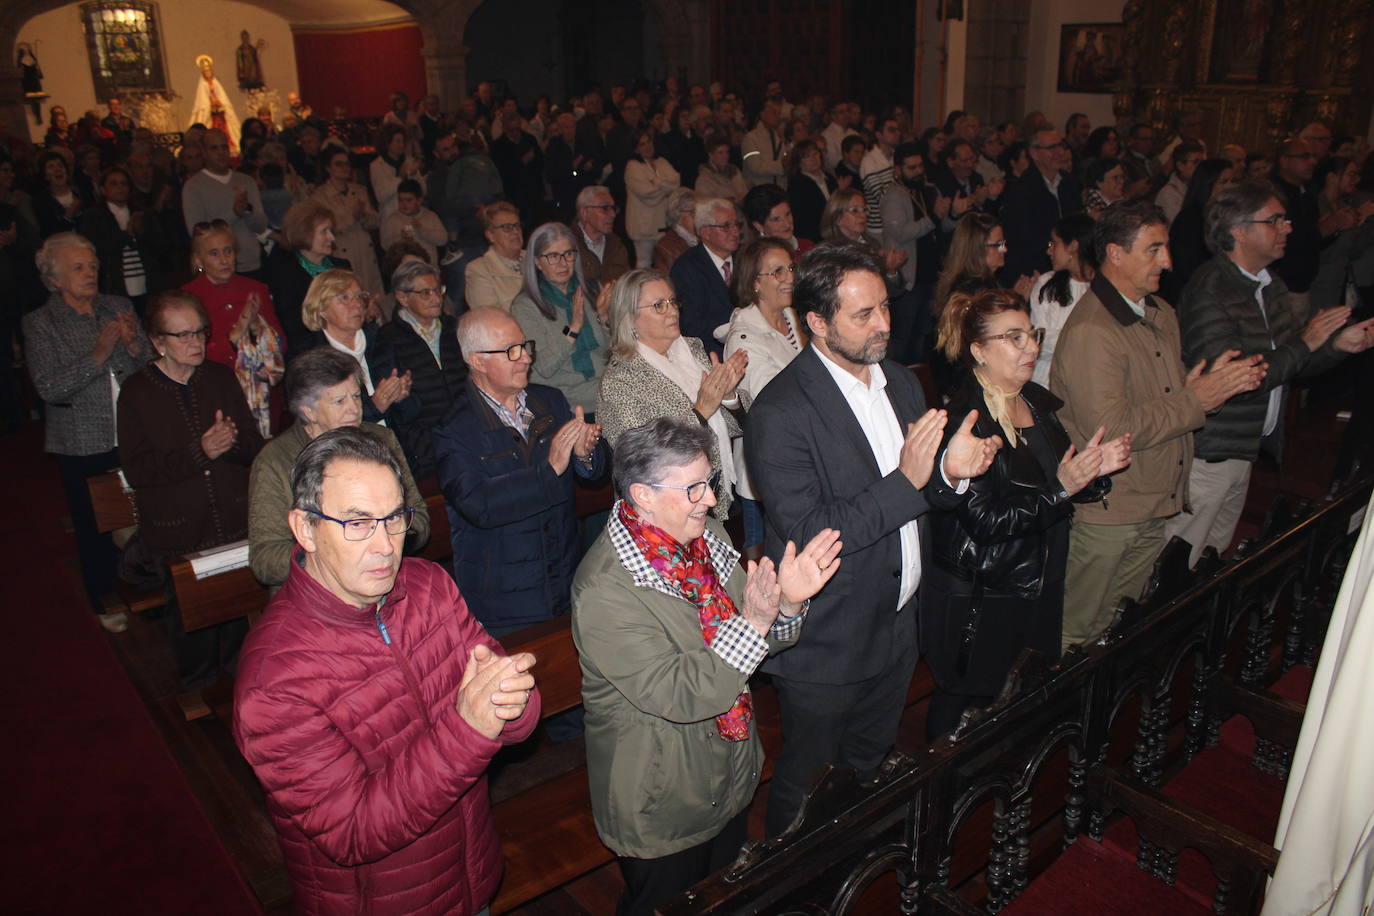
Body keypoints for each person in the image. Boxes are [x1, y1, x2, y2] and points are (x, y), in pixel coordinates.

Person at [745, 243, 1000, 837]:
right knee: (807, 780)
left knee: (867, 764)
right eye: (863, 315)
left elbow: (921, 496)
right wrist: (911, 480)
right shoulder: (780, 411)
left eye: (884, 307)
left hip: (897, 621)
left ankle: (851, 859)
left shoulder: (901, 385)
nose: (884, 324)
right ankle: (793, 885)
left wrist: (951, 474)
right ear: (817, 322)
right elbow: (814, 531)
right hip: (830, 635)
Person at [234, 426, 538, 916]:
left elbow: (511, 714)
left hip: (470, 874)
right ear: (305, 528)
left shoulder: (428, 585)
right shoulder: (275, 681)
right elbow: (351, 832)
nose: (385, 546)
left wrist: (513, 700)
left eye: (394, 518)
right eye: (357, 523)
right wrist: (469, 728)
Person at [572, 416, 840, 916]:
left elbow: (751, 641)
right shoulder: (606, 591)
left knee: (722, 897)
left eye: (710, 482)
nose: (713, 500)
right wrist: (757, 622)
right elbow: (682, 694)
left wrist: (786, 606)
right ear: (643, 496)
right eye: (694, 487)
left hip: (728, 770)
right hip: (662, 794)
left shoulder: (706, 538)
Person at [1050, 201, 1267, 650]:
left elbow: (1159, 401)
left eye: (1165, 247)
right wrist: (1196, 399)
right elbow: (1110, 428)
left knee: (1119, 627)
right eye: (1153, 250)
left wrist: (1200, 388)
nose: (1168, 261)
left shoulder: (1159, 313)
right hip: (1110, 511)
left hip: (1151, 498)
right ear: (1115, 253)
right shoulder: (1095, 331)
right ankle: (1057, 720)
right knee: (1075, 634)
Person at [924, 288, 1129, 737]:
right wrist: (1063, 488)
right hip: (984, 590)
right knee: (965, 703)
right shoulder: (966, 419)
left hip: (1038, 578)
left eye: (1031, 334)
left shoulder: (1033, 400)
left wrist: (1093, 473)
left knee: (1018, 697)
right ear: (978, 350)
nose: (1031, 347)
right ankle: (936, 795)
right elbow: (986, 521)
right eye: (1013, 337)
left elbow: (1054, 483)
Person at [1167, 181, 1374, 564]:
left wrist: (1335, 347)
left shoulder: (1267, 284)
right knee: (1178, 564)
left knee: (1213, 559)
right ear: (1239, 231)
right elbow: (1234, 380)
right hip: (1208, 452)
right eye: (1275, 220)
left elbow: (1289, 361)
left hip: (1241, 448)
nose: (1288, 227)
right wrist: (1308, 343)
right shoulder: (1211, 290)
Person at [117, 290, 263, 689]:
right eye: (182, 336)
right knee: (190, 627)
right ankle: (198, 692)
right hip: (178, 530)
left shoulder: (218, 376)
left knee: (237, 616)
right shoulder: (137, 392)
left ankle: (241, 692)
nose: (195, 342)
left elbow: (254, 445)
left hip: (232, 519)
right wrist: (199, 451)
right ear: (157, 341)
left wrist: (231, 443)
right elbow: (139, 470)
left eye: (200, 332)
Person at [433, 307, 606, 635]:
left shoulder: (549, 401)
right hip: (505, 598)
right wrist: (551, 468)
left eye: (525, 346)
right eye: (511, 351)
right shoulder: (454, 428)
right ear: (477, 361)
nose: (525, 358)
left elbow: (594, 476)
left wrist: (586, 453)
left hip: (567, 577)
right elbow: (479, 505)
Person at [23, 232, 151, 630]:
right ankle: (103, 598)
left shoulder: (117, 306)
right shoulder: (40, 323)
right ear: (55, 278)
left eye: (93, 265)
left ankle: (149, 589)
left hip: (132, 432)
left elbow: (148, 365)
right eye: (78, 268)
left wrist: (132, 347)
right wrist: (98, 354)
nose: (90, 273)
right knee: (96, 526)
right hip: (81, 441)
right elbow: (49, 387)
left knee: (148, 515)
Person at [247, 348, 429, 588]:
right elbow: (265, 559)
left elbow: (420, 519)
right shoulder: (275, 461)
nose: (354, 408)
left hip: (385, 583)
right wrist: (339, 552)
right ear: (308, 411)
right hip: (315, 601)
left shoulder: (382, 440)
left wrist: (390, 532)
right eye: (339, 401)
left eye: (356, 396)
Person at [599, 268, 748, 518]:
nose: (672, 310)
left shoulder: (692, 349)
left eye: (672, 301)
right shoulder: (620, 379)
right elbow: (642, 459)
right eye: (659, 305)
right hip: (662, 514)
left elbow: (733, 427)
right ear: (630, 318)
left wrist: (730, 397)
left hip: (714, 497)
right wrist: (700, 411)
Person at [722, 238, 806, 551]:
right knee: (767, 563)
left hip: (802, 456)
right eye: (778, 271)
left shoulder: (793, 317)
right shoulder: (744, 337)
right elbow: (772, 401)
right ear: (755, 283)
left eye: (791, 268)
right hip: (767, 469)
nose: (790, 277)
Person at [183, 219, 285, 436]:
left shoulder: (255, 288)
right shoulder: (187, 298)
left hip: (261, 398)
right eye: (214, 253)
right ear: (198, 259)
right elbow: (187, 355)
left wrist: (258, 331)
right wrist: (234, 338)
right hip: (215, 397)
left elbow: (281, 345)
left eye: (228, 251)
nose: (224, 259)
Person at [373, 259, 466, 480]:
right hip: (424, 447)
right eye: (425, 293)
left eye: (437, 290)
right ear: (402, 297)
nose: (436, 298)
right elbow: (398, 406)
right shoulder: (388, 338)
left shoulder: (456, 328)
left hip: (466, 434)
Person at [298, 268, 417, 428]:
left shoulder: (383, 341)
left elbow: (412, 414)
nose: (357, 305)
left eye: (359, 297)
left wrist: (402, 399)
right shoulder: (313, 360)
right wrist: (375, 407)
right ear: (321, 309)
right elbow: (324, 425)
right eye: (344, 298)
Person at [510, 221, 609, 414]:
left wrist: (604, 319)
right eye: (553, 256)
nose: (563, 263)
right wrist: (573, 328)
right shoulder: (525, 307)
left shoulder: (591, 291)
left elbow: (611, 352)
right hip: (562, 398)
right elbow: (545, 366)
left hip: (604, 387)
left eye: (568, 254)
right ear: (537, 262)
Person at [997, 126, 1082, 287]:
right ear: (1035, 153)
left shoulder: (1069, 183)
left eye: (1061, 146)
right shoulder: (1021, 190)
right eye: (1052, 148)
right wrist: (1054, 248)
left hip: (1070, 266)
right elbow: (1019, 240)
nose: (1060, 152)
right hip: (1036, 271)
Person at [182, 129, 269, 277]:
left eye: (224, 147)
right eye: (214, 148)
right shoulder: (193, 186)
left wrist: (247, 211)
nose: (221, 152)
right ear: (204, 152)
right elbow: (196, 233)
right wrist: (234, 213)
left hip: (250, 262)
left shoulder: (246, 181)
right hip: (216, 268)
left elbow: (261, 226)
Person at [268, 201, 351, 355]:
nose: (331, 238)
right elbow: (295, 330)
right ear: (304, 233)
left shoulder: (342, 267)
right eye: (324, 231)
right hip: (313, 355)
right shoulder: (286, 276)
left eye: (331, 231)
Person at [78, 165, 166, 310]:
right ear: (103, 189)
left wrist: (142, 232)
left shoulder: (142, 212)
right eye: (114, 183)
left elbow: (161, 247)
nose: (120, 188)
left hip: (147, 283)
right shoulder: (94, 216)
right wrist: (126, 234)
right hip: (115, 284)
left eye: (124, 183)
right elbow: (95, 251)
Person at [1029, 212, 1096, 389]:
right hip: (1044, 382)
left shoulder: (1100, 290)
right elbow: (1039, 342)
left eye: (1054, 243)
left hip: (1085, 383)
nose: (1049, 250)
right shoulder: (1047, 284)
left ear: (1073, 246)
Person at [670, 197, 743, 357]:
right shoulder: (686, 268)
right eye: (726, 226)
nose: (735, 232)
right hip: (711, 353)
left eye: (736, 225)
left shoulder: (746, 259)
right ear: (705, 232)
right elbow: (689, 325)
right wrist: (739, 321)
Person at [1159, 158, 1236, 302]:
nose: (1230, 187)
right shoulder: (1190, 219)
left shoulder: (1224, 216)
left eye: (1232, 181)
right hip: (1194, 295)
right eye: (1224, 182)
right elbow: (1187, 267)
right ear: (1207, 184)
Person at [311, 147, 382, 295]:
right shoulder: (320, 196)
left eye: (347, 163)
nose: (345, 168)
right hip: (342, 252)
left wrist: (364, 216)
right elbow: (325, 227)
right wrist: (351, 217)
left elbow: (375, 221)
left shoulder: (359, 190)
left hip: (365, 253)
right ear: (328, 168)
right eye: (338, 164)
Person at [625, 128, 682, 268]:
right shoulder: (633, 167)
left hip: (662, 223)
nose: (647, 146)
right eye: (642, 144)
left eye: (648, 142)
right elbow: (647, 193)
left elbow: (676, 182)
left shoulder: (662, 162)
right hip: (643, 225)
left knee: (665, 261)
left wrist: (656, 182)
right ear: (636, 149)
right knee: (644, 263)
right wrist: (665, 187)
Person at [463, 201, 525, 311]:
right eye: (507, 227)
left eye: (517, 225)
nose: (515, 231)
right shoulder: (479, 269)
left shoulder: (537, 259)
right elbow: (489, 317)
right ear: (490, 235)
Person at [573, 185, 632, 294]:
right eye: (605, 208)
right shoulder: (568, 246)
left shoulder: (616, 245)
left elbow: (628, 285)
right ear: (584, 212)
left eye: (613, 208)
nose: (613, 214)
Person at [379, 179, 447, 268]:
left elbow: (443, 240)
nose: (404, 204)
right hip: (405, 271)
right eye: (400, 200)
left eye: (408, 200)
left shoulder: (430, 216)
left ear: (419, 200)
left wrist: (423, 231)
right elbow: (385, 245)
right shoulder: (392, 220)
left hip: (429, 268)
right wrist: (401, 239)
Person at [369, 123, 425, 223]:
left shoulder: (409, 161)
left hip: (412, 217)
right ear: (387, 143)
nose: (402, 145)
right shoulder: (377, 165)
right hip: (390, 217)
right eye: (398, 141)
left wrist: (414, 174)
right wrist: (401, 177)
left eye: (403, 141)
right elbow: (381, 196)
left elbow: (423, 190)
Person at [742, 184, 813, 258]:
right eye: (776, 219)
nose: (787, 224)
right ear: (759, 226)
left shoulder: (807, 247)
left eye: (787, 214)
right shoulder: (755, 258)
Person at [787, 138, 834, 244]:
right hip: (813, 239)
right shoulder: (797, 185)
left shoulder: (830, 179)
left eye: (815, 154)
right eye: (807, 157)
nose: (813, 159)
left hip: (833, 234)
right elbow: (801, 221)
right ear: (799, 163)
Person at [32, 150, 87, 239]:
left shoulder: (81, 193)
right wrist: (68, 216)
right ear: (45, 175)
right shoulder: (41, 201)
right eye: (51, 167)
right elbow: (49, 233)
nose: (58, 169)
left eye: (60, 165)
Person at [1154, 141, 1204, 226]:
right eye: (1195, 162)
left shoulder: (1198, 186)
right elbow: (1180, 226)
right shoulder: (1169, 193)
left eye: (1202, 162)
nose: (1201, 167)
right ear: (1180, 165)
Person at [741, 99, 787, 188]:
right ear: (762, 115)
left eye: (779, 113)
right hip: (759, 189)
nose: (778, 117)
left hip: (779, 189)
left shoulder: (779, 138)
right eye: (774, 113)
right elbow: (755, 167)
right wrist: (781, 166)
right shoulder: (750, 138)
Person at [651, 187, 697, 274]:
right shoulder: (665, 247)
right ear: (677, 214)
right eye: (692, 212)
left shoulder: (703, 238)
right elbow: (672, 282)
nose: (698, 217)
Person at [694, 135, 748, 204]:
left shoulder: (734, 171)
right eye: (720, 153)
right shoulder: (704, 178)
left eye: (727, 152)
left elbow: (744, 193)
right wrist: (731, 200)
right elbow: (706, 203)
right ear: (711, 155)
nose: (725, 156)